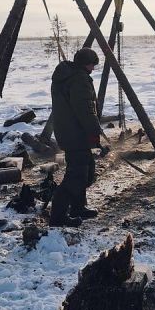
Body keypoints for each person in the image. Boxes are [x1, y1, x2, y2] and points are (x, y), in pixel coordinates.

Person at [49, 47, 104, 227]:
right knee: (76, 176)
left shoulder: (68, 76)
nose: (93, 68)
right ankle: (57, 216)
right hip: (76, 132)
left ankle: (78, 207)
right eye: (92, 64)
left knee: (85, 169)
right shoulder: (79, 80)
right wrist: (95, 131)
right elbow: (85, 110)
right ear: (86, 64)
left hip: (69, 130)